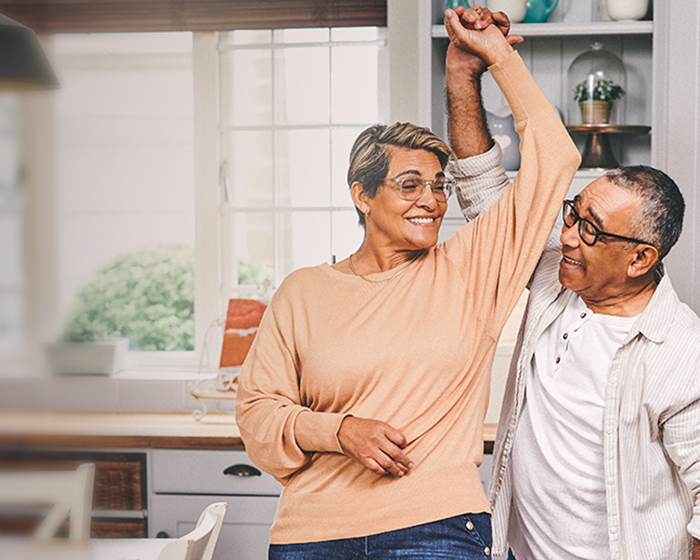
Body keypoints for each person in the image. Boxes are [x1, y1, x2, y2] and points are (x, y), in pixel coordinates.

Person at [234, 6, 580, 559]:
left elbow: (555, 156)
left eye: (438, 186)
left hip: (436, 526)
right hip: (312, 532)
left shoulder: (472, 268)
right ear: (362, 194)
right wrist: (340, 431)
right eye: (409, 184)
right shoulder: (303, 292)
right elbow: (257, 413)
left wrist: (496, 55)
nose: (432, 200)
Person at [446, 11, 700, 560]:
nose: (567, 236)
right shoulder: (555, 279)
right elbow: (485, 193)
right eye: (572, 214)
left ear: (639, 259)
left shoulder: (681, 350)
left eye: (590, 229)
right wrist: (463, 77)